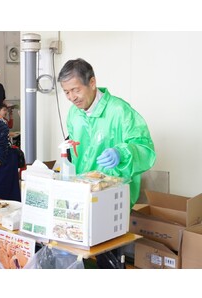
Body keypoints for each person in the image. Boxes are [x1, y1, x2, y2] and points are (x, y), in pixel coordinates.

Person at [57, 58, 156, 210]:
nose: (72, 97)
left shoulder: (120, 111)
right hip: (82, 195)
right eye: (66, 92)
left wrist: (121, 153)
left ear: (92, 83)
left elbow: (145, 150)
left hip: (113, 196)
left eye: (76, 90)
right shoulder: (74, 113)